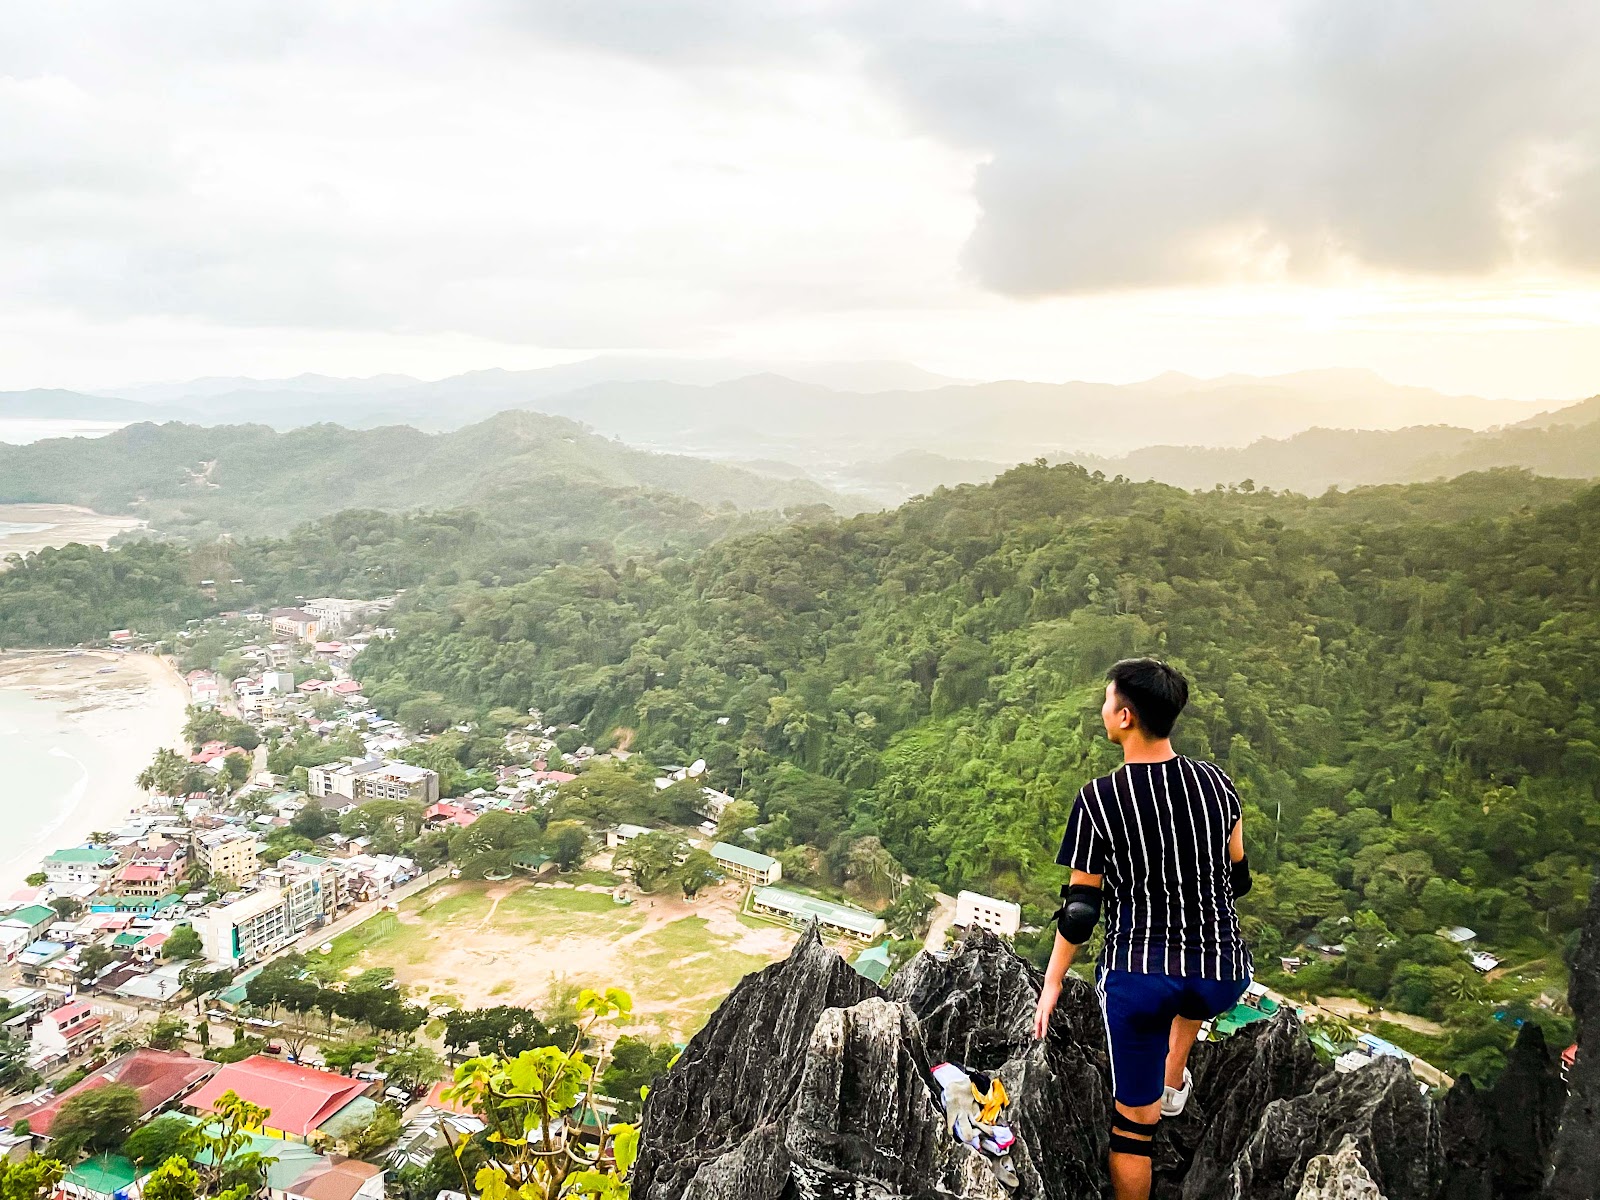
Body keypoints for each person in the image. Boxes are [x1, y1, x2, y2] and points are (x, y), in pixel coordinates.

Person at [1032, 658, 1253, 1200]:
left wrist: (1054, 979)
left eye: (1107, 702)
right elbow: (1239, 879)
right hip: (1223, 970)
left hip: (1140, 974)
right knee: (1190, 987)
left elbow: (1082, 910)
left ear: (1125, 716)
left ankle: (1154, 1102)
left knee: (1133, 1129)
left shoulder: (1099, 799)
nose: (1102, 710)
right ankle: (1173, 1081)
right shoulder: (1217, 786)